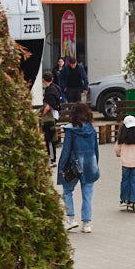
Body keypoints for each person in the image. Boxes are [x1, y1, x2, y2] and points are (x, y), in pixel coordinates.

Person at [58, 103, 100, 233]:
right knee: (87, 195)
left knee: (67, 191)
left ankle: (71, 219)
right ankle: (86, 224)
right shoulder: (91, 129)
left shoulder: (71, 130)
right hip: (90, 165)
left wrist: (61, 169)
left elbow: (66, 151)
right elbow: (96, 149)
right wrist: (95, 163)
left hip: (74, 165)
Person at [115, 115, 135, 212]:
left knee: (125, 180)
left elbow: (117, 148)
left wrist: (118, 154)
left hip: (126, 161)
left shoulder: (122, 137)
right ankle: (133, 200)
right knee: (134, 181)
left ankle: (124, 199)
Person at [40, 70, 63, 163]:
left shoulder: (49, 90)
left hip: (50, 118)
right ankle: (51, 158)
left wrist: (41, 116)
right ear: (52, 79)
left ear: (43, 80)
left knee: (49, 139)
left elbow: (48, 106)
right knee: (51, 137)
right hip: (55, 115)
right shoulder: (55, 87)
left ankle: (52, 159)